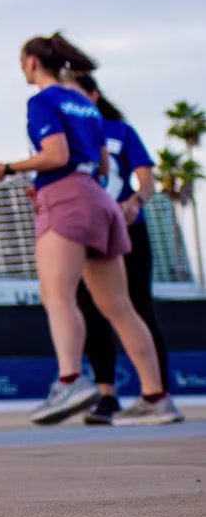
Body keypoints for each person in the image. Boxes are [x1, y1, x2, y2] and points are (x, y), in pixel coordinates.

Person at [0, 35, 177, 426]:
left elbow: (57, 155)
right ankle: (156, 397)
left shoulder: (42, 102)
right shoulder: (87, 107)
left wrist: (7, 169)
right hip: (98, 198)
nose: (22, 69)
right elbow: (104, 166)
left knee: (58, 297)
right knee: (121, 308)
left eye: (22, 62)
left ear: (34, 62)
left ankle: (71, 379)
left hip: (66, 198)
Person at [73, 69, 178, 424]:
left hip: (128, 230)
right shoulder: (65, 136)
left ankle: (157, 393)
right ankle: (107, 397)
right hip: (88, 233)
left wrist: (135, 202)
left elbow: (147, 181)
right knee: (92, 311)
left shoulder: (122, 132)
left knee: (139, 308)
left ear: (94, 95)